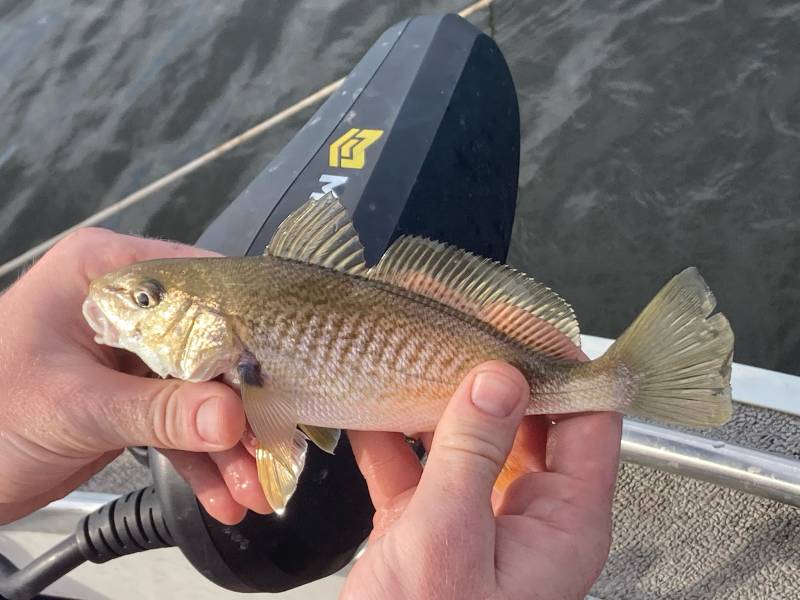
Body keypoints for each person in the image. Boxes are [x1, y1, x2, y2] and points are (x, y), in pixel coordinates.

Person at [0, 228, 622, 599]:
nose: (122, 306)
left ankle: (616, 382)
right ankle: (612, 382)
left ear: (216, 323)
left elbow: (276, 432)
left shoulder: (246, 366)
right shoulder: (239, 358)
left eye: (145, 300)